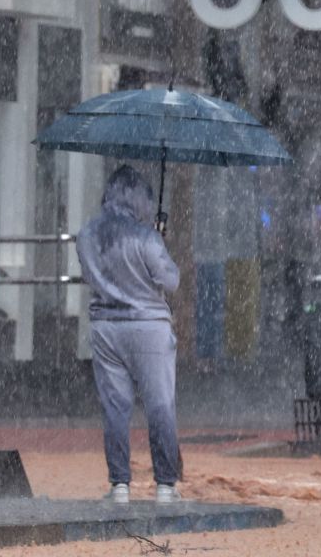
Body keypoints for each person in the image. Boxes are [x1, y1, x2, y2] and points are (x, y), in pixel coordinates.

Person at [75, 165, 183, 504]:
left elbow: (91, 276)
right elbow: (170, 281)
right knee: (160, 404)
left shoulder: (88, 234)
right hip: (148, 326)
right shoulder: (145, 236)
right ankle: (165, 484)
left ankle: (120, 483)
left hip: (106, 327)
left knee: (115, 407)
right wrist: (157, 241)